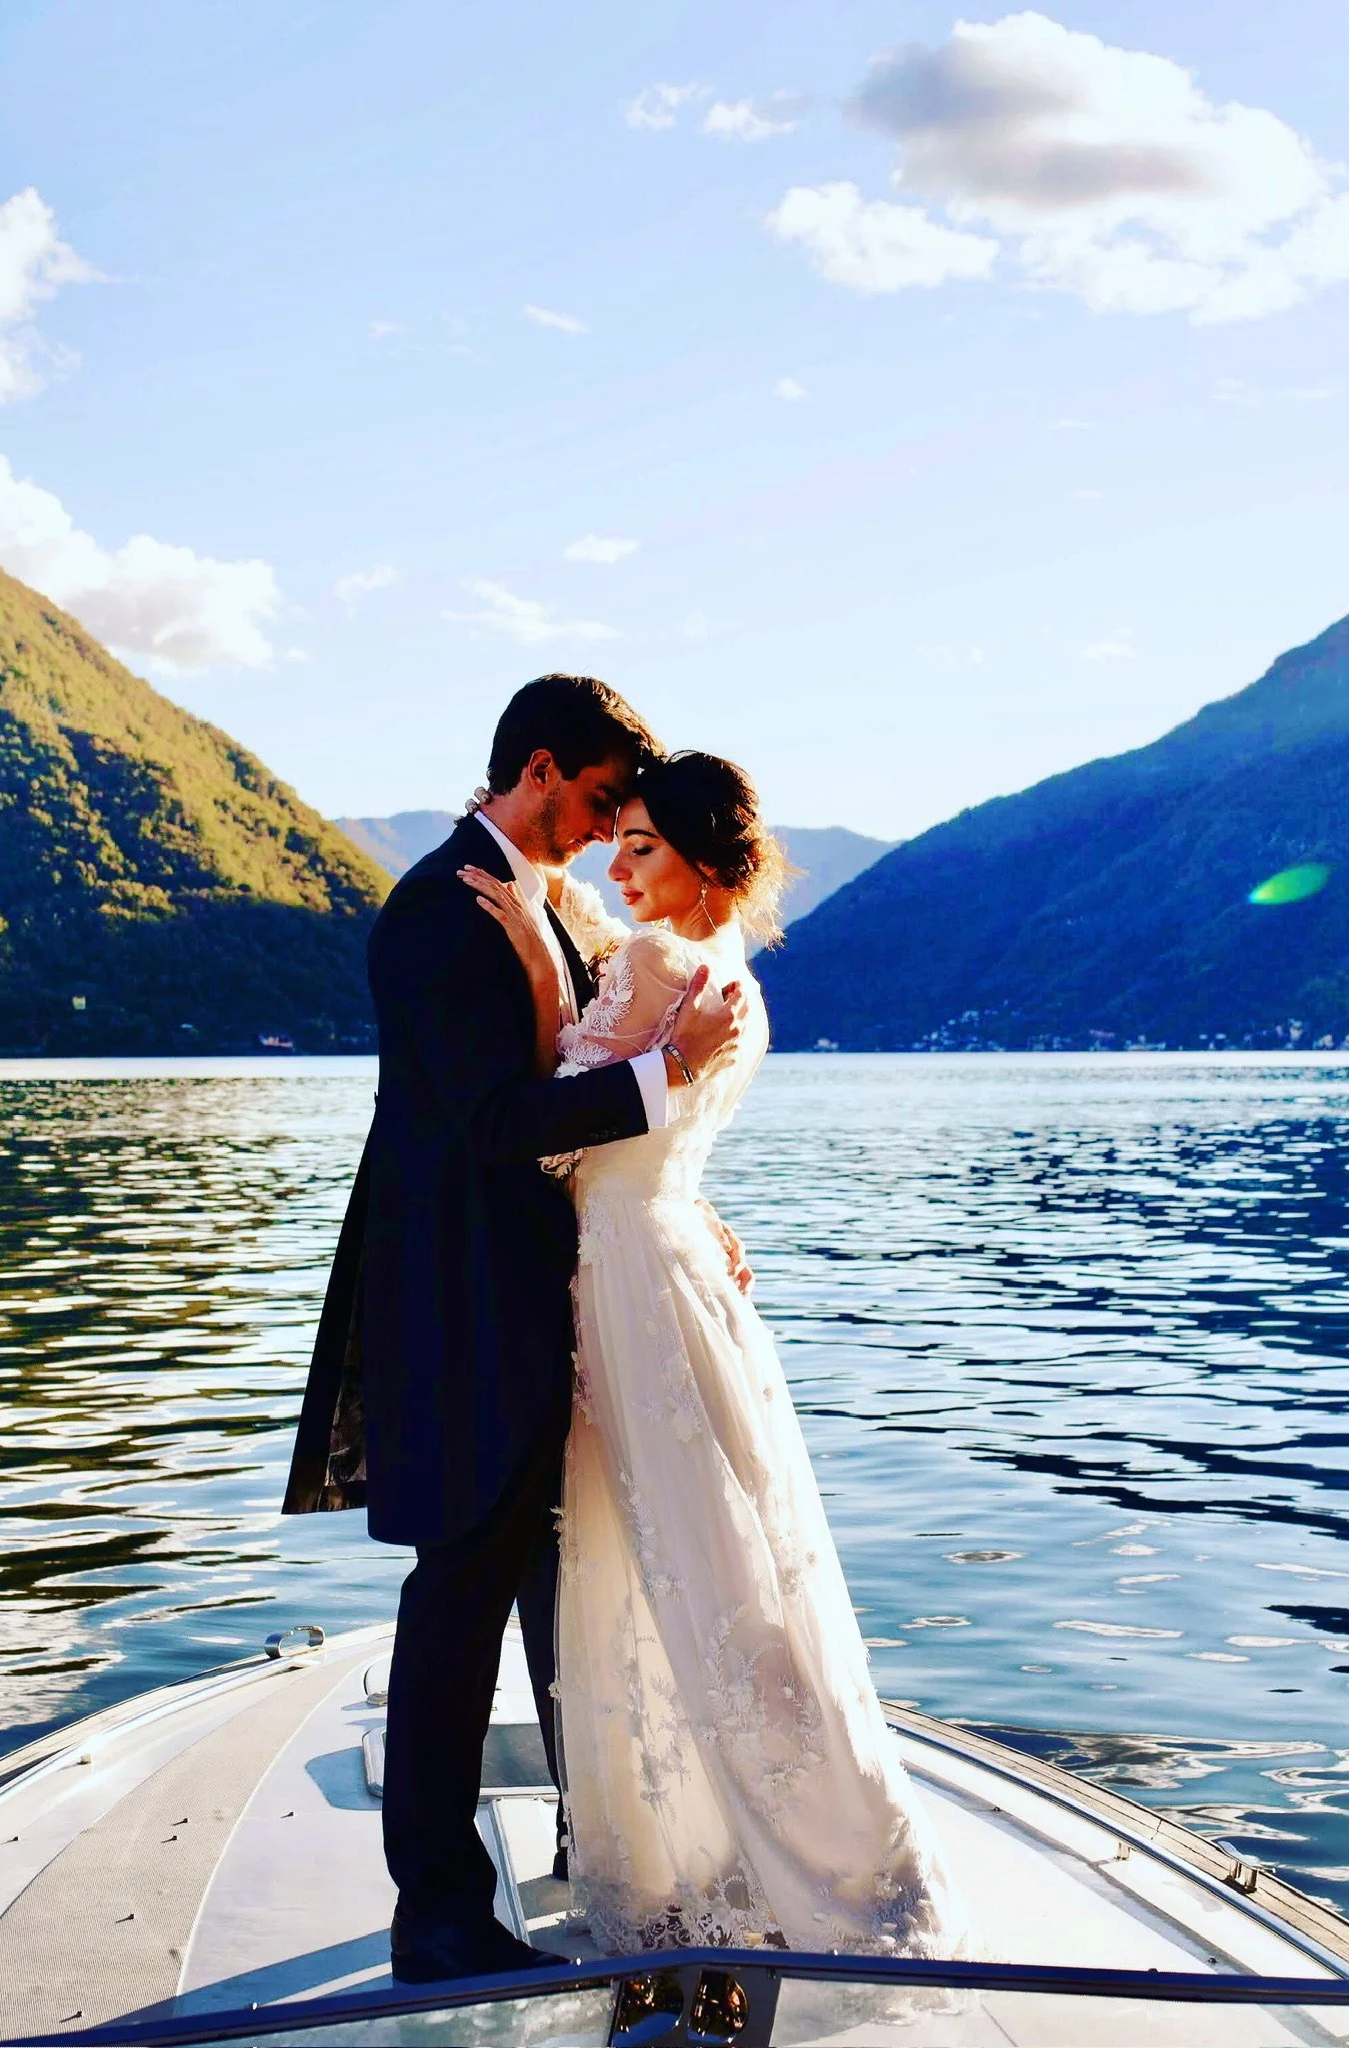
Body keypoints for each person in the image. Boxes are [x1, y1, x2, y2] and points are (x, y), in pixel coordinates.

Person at [461, 750, 967, 1959]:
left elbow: (548, 1142)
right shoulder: (731, 973)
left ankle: (696, 1860)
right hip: (679, 1263)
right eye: (615, 841)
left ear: (701, 856)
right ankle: (797, 1845)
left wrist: (538, 964)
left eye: (641, 844)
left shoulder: (648, 964)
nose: (618, 864)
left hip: (632, 1282)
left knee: (656, 1568)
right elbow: (658, 1137)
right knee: (728, 1568)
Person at [283, 677, 748, 1985]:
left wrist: (680, 1207)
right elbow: (494, 1124)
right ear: (539, 768)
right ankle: (433, 1912)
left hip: (556, 1301)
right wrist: (665, 1080)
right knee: (461, 1593)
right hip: (463, 1312)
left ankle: (601, 1855)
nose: (609, 833)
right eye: (601, 802)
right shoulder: (437, 914)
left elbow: (570, 1079)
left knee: (566, 1588)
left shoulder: (541, 904)